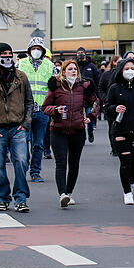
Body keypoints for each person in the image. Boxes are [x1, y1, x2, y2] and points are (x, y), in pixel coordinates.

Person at [0, 43, 33, 213]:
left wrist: (25, 125)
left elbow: (29, 102)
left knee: (21, 163)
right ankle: (2, 198)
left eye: (9, 54)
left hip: (18, 128)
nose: (7, 57)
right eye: (4, 54)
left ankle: (21, 198)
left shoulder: (21, 77)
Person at [42, 60, 100, 209]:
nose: (73, 71)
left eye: (75, 69)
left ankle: (69, 192)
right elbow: (45, 107)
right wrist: (55, 110)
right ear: (63, 72)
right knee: (61, 163)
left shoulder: (84, 86)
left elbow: (96, 102)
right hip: (58, 130)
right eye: (70, 69)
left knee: (74, 163)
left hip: (77, 130)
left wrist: (91, 117)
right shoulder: (56, 86)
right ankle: (63, 194)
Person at [104, 57, 134, 205]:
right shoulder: (115, 88)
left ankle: (131, 182)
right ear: (121, 70)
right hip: (120, 130)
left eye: (132, 69)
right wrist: (114, 109)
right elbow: (107, 107)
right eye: (126, 69)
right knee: (125, 162)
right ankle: (127, 192)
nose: (130, 71)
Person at [15, 37, 54, 183]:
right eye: (33, 48)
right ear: (29, 50)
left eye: (38, 49)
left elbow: (54, 87)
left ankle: (35, 171)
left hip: (42, 110)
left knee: (38, 144)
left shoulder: (49, 66)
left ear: (43, 51)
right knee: (23, 141)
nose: (36, 51)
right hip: (24, 110)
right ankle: (23, 169)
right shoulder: (21, 64)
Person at [75, 48, 100, 143]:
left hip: (90, 96)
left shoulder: (91, 66)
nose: (80, 55)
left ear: (85, 54)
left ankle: (90, 132)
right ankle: (83, 135)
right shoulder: (75, 66)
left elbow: (98, 80)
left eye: (81, 53)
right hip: (79, 96)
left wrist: (96, 93)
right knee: (80, 118)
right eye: (78, 53)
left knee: (90, 116)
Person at [99, 55, 121, 153]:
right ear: (114, 62)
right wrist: (105, 99)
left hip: (121, 105)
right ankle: (114, 147)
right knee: (112, 126)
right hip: (110, 105)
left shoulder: (123, 74)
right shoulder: (107, 74)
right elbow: (100, 88)